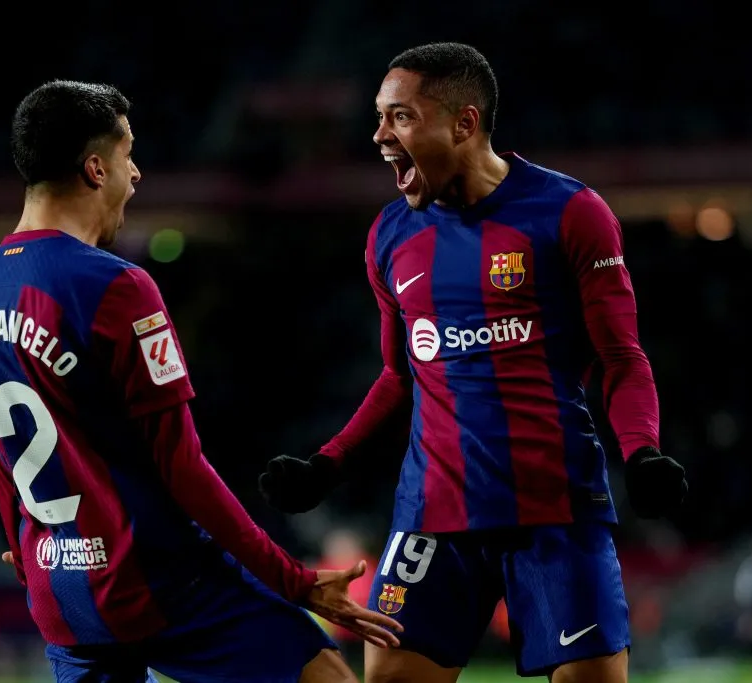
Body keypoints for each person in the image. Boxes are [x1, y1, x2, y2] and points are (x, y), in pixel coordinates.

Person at [0, 79, 401, 683]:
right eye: (127, 154)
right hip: (160, 581)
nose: (135, 174)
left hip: (62, 595)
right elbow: (181, 466)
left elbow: (3, 464)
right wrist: (292, 579)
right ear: (95, 169)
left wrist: (29, 559)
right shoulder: (115, 286)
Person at [258, 43, 687, 683]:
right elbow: (398, 376)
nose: (380, 135)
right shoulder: (390, 236)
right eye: (379, 116)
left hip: (555, 509)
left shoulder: (571, 213)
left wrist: (642, 452)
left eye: (401, 116)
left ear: (464, 122)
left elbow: (621, 357)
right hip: (433, 515)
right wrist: (328, 463)